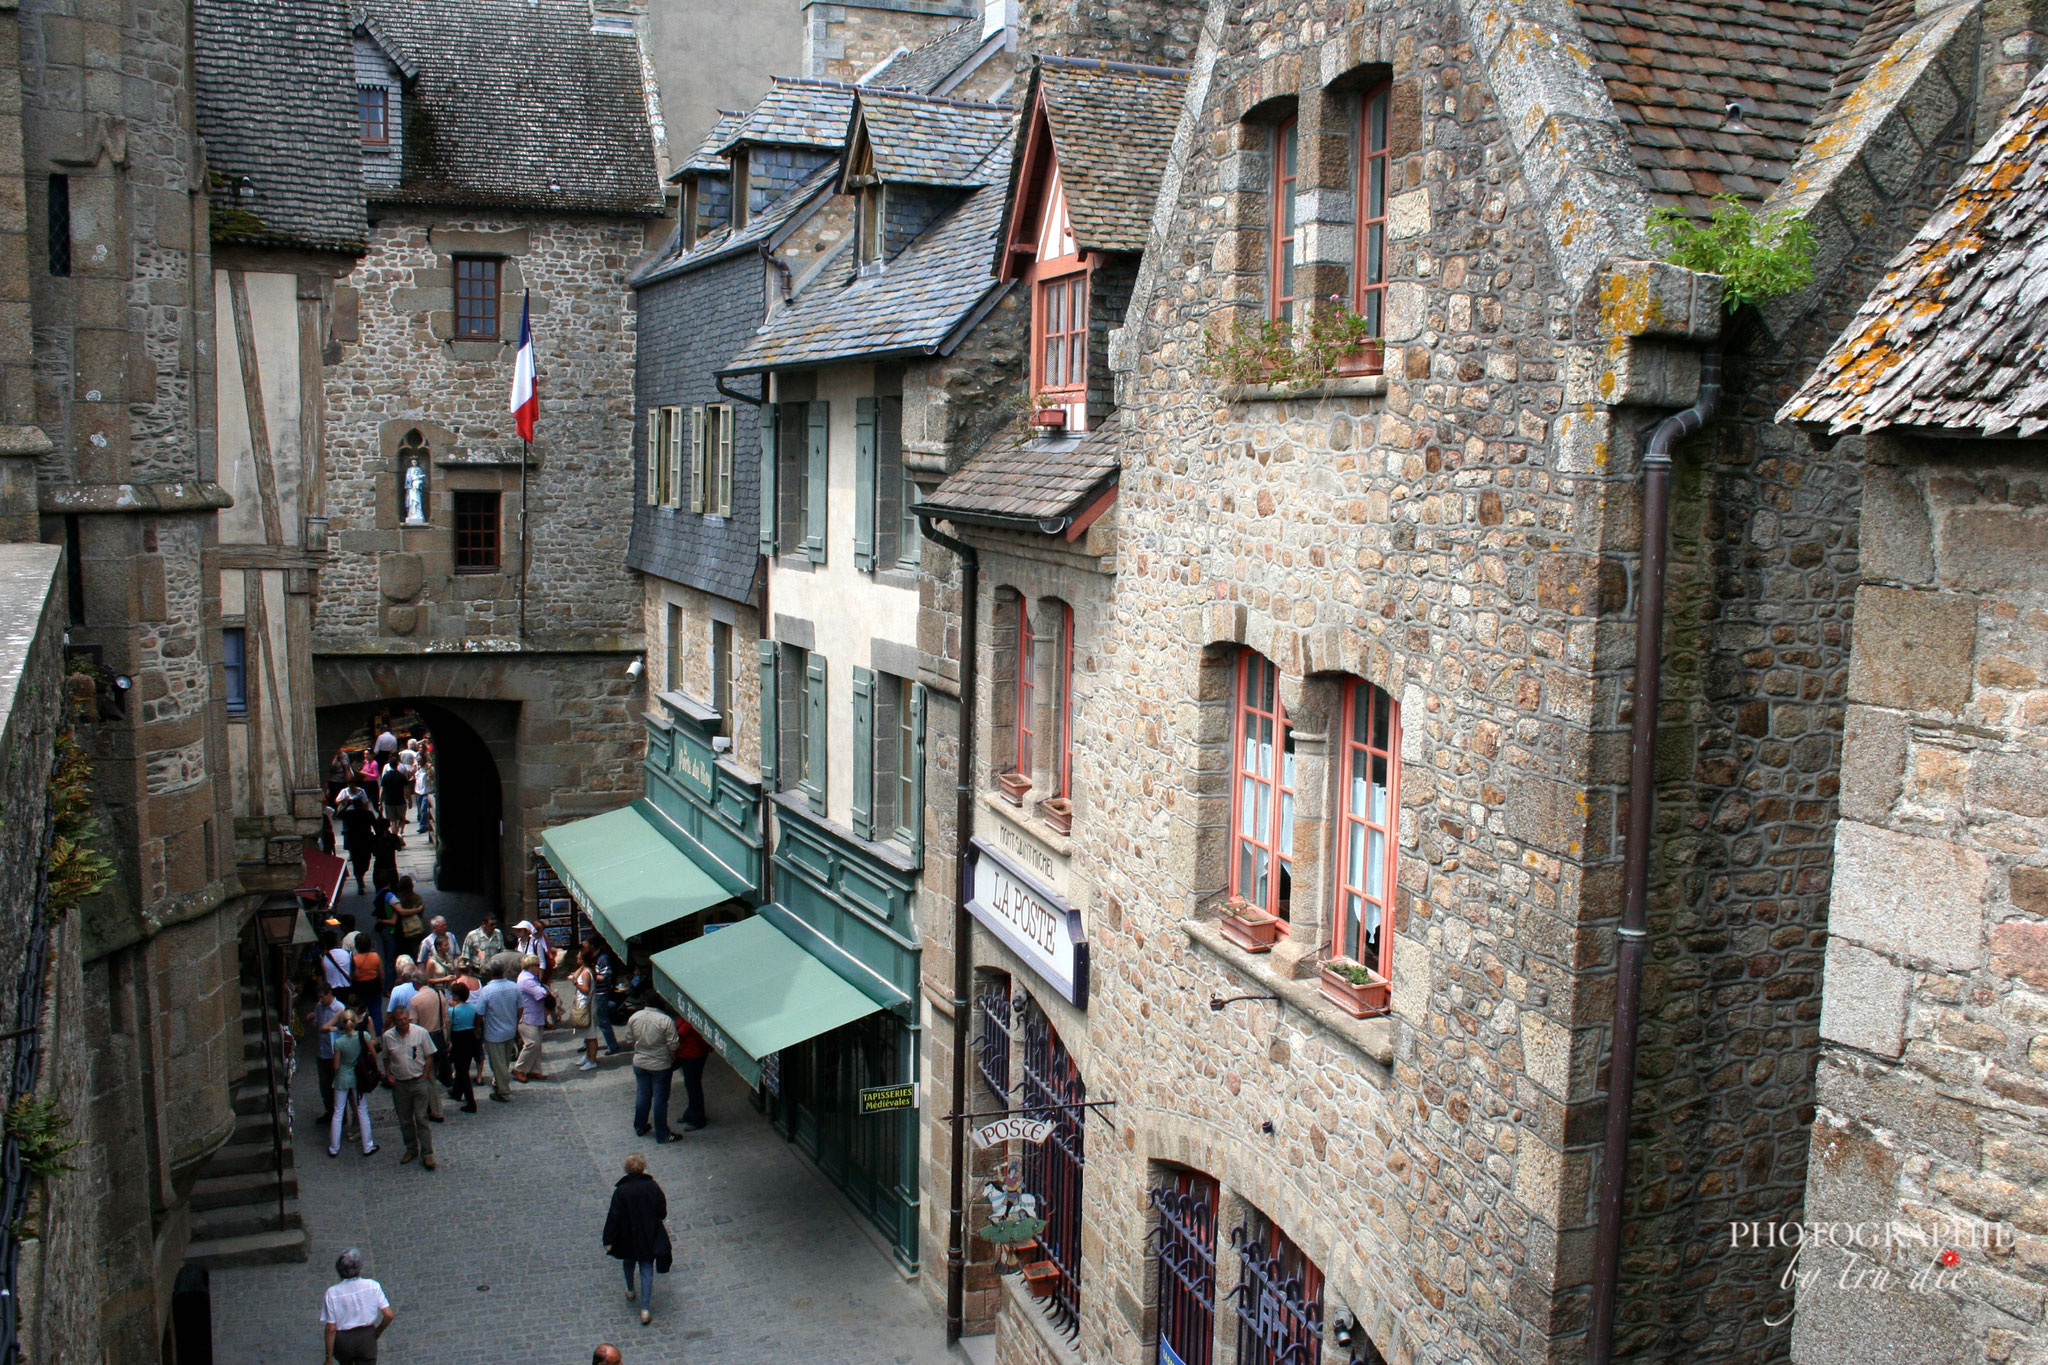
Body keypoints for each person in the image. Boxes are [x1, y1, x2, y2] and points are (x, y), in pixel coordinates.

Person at [602, 1153, 672, 1326]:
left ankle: (631, 1289)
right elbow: (662, 1210)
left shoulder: (622, 1191)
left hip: (628, 1236)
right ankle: (645, 1308)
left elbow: (614, 1215)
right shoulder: (652, 1187)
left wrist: (608, 1239)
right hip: (649, 1234)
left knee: (628, 1262)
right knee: (647, 1268)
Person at [379, 1001, 438, 1170]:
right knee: (405, 1119)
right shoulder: (388, 1037)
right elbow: (385, 1057)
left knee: (421, 1118)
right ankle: (411, 1148)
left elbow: (429, 1056)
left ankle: (427, 1153)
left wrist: (425, 1077)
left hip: (418, 1080)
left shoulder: (420, 1033)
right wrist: (388, 1074)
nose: (403, 1022)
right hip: (400, 1084)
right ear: (395, 1021)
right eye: (400, 1020)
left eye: (406, 1019)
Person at [321, 1247, 393, 1364]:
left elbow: (331, 1328)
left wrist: (328, 1357)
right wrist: (379, 1330)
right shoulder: (372, 1286)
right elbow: (389, 1315)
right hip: (367, 1338)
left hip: (343, 1341)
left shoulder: (332, 1293)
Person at [328, 1010, 378, 1158]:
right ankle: (367, 1146)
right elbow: (374, 1055)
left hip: (343, 1077)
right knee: (362, 1110)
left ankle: (334, 1147)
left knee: (338, 1112)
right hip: (359, 1076)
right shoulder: (364, 1036)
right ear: (355, 1021)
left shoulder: (339, 1042)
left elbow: (336, 1066)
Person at [627, 1000, 677, 1142]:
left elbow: (629, 1039)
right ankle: (662, 1133)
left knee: (643, 1094)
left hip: (640, 1062)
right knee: (660, 1099)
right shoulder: (665, 1020)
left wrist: (640, 1050)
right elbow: (673, 1045)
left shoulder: (635, 1017)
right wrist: (671, 1059)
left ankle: (640, 1125)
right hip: (660, 1064)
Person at [471, 961, 522, 1102]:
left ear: (491, 973)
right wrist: (516, 1021)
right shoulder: (514, 987)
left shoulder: (487, 990)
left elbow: (480, 1012)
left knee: (497, 1063)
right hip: (510, 1029)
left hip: (494, 1033)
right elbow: (521, 1007)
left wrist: (476, 1027)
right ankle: (500, 1082)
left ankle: (503, 1091)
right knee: (504, 1061)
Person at [404, 966, 448, 1122]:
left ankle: (436, 1110)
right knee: (432, 1074)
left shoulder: (416, 1000)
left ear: (416, 983)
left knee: (428, 1078)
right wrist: (447, 1039)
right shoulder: (438, 994)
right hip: (438, 1036)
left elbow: (413, 1024)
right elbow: (445, 1018)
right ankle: (430, 1106)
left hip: (424, 1039)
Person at [312, 980, 348, 1124]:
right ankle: (330, 1111)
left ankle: (341, 1114)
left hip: (335, 1054)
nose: (321, 1000)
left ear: (329, 993)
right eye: (319, 998)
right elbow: (317, 1023)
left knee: (337, 1086)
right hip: (322, 1051)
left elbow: (345, 1030)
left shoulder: (340, 1008)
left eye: (323, 997)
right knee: (325, 1086)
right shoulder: (319, 1007)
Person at [332, 781, 376, 894]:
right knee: (363, 860)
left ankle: (359, 878)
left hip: (358, 839)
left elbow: (337, 815)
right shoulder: (363, 814)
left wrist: (346, 805)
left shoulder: (356, 814)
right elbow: (376, 826)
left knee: (359, 861)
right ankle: (360, 880)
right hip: (362, 839)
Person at [513, 954, 551, 1081]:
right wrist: (546, 991)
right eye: (536, 965)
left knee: (538, 1044)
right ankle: (519, 1068)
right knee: (532, 1044)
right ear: (530, 966)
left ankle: (534, 1070)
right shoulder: (526, 980)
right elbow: (541, 993)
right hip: (527, 1017)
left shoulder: (530, 977)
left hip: (535, 1015)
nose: (538, 968)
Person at [445, 980, 480, 1112]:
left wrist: (448, 1041)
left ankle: (470, 1101)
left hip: (458, 1039)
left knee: (462, 1071)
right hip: (470, 1039)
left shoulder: (452, 1011)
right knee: (464, 1067)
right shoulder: (472, 1007)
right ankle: (456, 1092)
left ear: (457, 996)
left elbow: (449, 1027)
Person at [673, 1015, 712, 1132]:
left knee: (693, 1086)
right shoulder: (686, 1016)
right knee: (690, 1085)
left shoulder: (696, 1020)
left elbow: (703, 1039)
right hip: (686, 1056)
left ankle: (697, 1118)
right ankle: (691, 1113)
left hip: (694, 1056)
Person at [589, 936, 623, 1055]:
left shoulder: (603, 958)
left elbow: (606, 976)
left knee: (602, 1020)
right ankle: (587, 1043)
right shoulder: (594, 957)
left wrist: (590, 975)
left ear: (592, 945)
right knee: (592, 1019)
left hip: (601, 993)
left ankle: (612, 1045)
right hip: (595, 993)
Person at [573, 941, 603, 1071]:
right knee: (586, 1033)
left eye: (579, 958)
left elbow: (585, 989)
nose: (576, 959)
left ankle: (592, 1059)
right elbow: (575, 976)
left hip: (588, 1005)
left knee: (591, 1035)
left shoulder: (586, 973)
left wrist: (576, 984)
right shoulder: (585, 970)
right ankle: (588, 1056)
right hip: (583, 1004)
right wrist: (582, 966)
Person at [348, 934, 385, 1033]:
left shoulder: (354, 959)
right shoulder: (375, 957)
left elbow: (352, 976)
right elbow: (381, 973)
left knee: (360, 1013)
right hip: (374, 986)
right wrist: (382, 985)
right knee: (376, 1012)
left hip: (359, 988)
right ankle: (377, 1035)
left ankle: (363, 1033)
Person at [380, 760, 410, 834]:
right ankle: (401, 832)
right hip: (400, 800)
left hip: (389, 801)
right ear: (397, 765)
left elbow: (382, 790)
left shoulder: (386, 776)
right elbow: (406, 790)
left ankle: (395, 834)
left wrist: (380, 802)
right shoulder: (401, 776)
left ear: (389, 765)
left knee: (393, 821)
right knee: (402, 818)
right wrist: (409, 800)